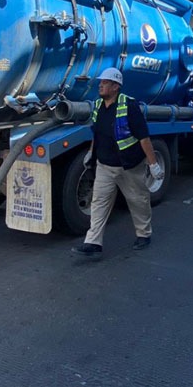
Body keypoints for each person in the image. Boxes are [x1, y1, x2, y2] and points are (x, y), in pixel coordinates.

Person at [72, 67, 165, 259]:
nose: (101, 85)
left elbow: (144, 138)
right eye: (101, 82)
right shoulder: (98, 105)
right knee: (99, 202)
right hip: (105, 165)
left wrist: (153, 164)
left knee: (138, 200)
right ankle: (93, 242)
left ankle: (143, 234)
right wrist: (91, 153)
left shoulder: (129, 106)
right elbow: (97, 133)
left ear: (115, 86)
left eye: (105, 83)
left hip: (129, 165)